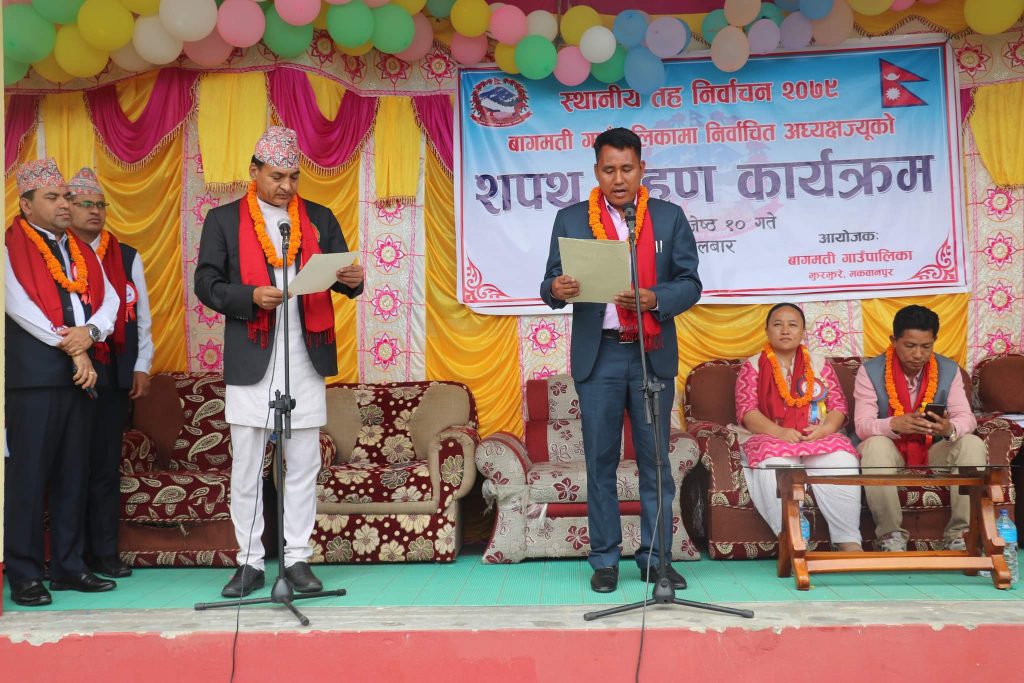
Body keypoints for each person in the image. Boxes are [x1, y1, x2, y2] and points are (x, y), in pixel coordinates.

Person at [195, 127, 364, 598]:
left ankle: (298, 560)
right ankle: (249, 563)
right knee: (248, 465)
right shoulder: (223, 220)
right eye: (276, 177)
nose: (286, 186)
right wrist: (249, 296)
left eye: (293, 176)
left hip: (305, 355)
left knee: (304, 461)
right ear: (254, 172)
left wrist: (352, 279)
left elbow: (341, 279)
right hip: (252, 354)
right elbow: (206, 283)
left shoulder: (319, 218)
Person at [540, 127, 702, 593]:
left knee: (656, 463)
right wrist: (557, 288)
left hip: (652, 353)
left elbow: (691, 283)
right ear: (596, 171)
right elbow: (549, 283)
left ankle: (657, 560)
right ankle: (605, 559)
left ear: (641, 169)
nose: (618, 178)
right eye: (608, 169)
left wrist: (655, 298)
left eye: (626, 169)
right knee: (600, 462)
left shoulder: (668, 218)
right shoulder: (571, 218)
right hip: (600, 355)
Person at [4, 158, 120, 606]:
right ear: (26, 204)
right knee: (29, 478)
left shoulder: (81, 250)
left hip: (80, 377)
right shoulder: (10, 246)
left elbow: (110, 300)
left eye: (66, 196)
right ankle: (25, 573)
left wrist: (90, 332)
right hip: (35, 382)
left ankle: (70, 567)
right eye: (52, 197)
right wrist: (74, 346)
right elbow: (19, 307)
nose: (64, 204)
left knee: (75, 474)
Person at [67, 167, 154, 579]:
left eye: (100, 205)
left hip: (114, 370)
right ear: (67, 208)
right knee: (71, 465)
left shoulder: (126, 256)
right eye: (86, 204)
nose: (95, 211)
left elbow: (143, 317)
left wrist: (141, 365)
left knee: (104, 466)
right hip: (69, 373)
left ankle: (104, 553)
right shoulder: (57, 254)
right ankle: (71, 556)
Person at [854, 304, 986, 551]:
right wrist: (894, 424)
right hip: (890, 454)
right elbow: (862, 425)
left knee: (971, 443)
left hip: (934, 452)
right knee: (874, 445)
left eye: (926, 346)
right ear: (893, 340)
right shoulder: (869, 371)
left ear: (934, 341)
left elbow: (966, 418)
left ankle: (962, 535)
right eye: (910, 345)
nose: (918, 354)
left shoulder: (949, 370)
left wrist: (948, 428)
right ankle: (890, 536)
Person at [732, 303, 862, 551]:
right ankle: (793, 537)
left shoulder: (819, 363)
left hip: (816, 435)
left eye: (792, 325)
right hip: (771, 436)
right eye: (777, 324)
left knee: (842, 458)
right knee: (774, 462)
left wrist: (824, 430)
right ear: (767, 330)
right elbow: (747, 412)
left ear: (803, 331)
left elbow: (838, 406)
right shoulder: (753, 365)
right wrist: (780, 432)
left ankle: (848, 540)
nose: (785, 330)